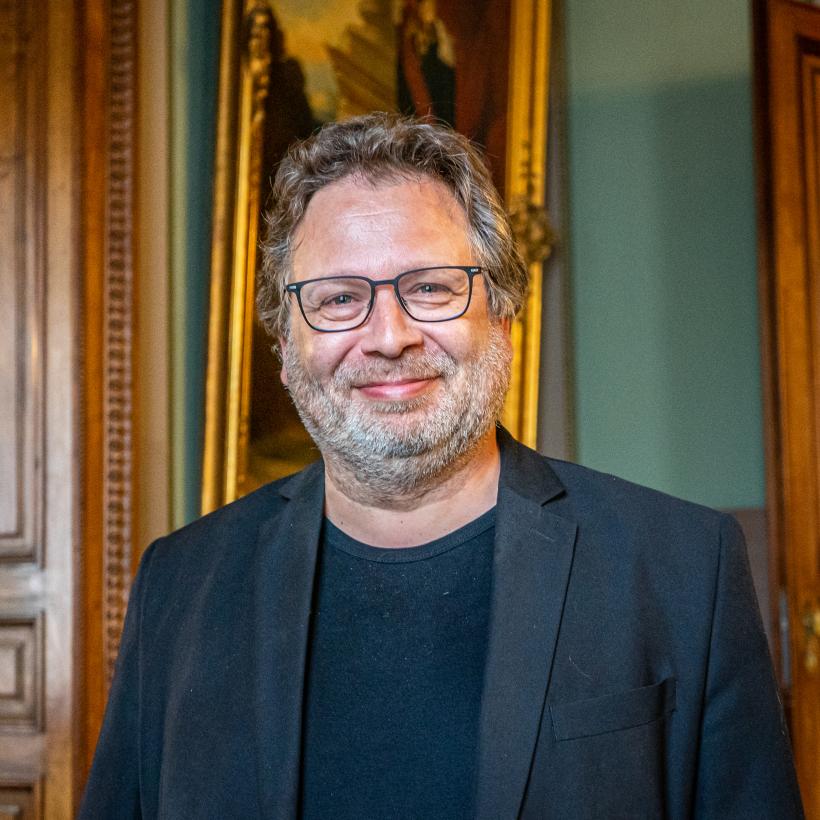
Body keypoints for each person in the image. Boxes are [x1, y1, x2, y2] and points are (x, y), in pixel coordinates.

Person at [80, 113, 804, 819]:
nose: (389, 337)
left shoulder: (683, 568)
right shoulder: (179, 585)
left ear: (504, 317)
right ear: (283, 343)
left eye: (429, 287)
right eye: (338, 299)